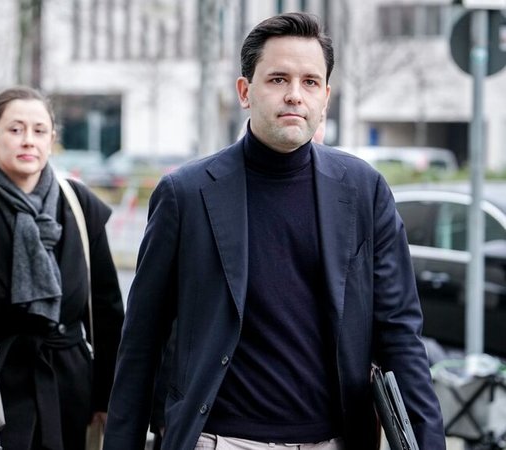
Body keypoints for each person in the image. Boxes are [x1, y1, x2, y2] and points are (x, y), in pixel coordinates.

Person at [104, 12, 445, 450]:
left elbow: (399, 333)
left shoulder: (364, 190)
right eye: (278, 79)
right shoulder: (184, 195)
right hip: (219, 441)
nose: (294, 95)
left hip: (334, 441)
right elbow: (141, 342)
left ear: (326, 96)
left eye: (309, 82)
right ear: (245, 91)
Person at [0, 86, 125, 450]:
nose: (28, 140)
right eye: (15, 129)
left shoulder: (79, 204)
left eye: (39, 131)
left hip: (69, 387)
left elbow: (108, 310)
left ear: (52, 139)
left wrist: (105, 397)